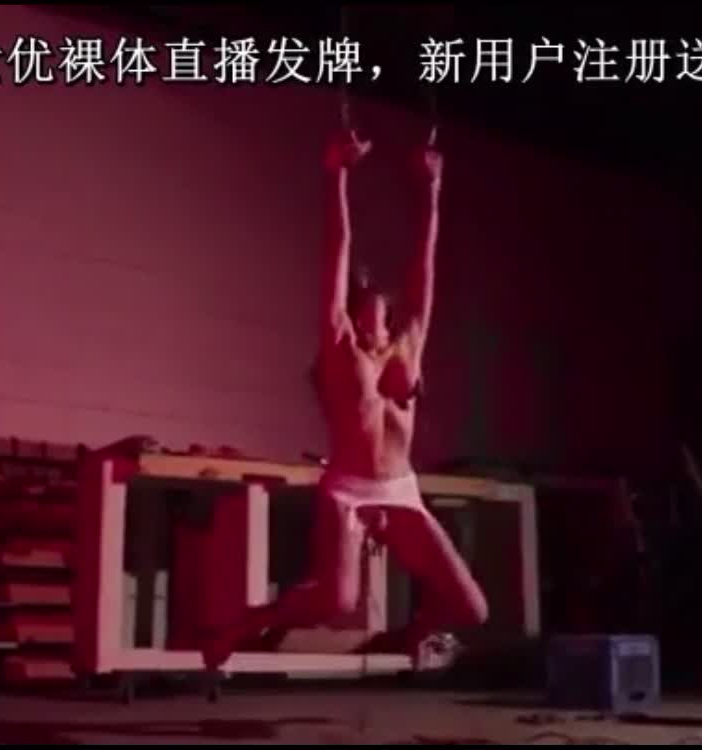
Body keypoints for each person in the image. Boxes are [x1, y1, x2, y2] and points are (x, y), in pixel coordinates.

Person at [202, 129, 489, 674]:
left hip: (401, 488)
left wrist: (432, 190)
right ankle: (243, 626)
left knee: (472, 608)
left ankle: (411, 634)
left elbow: (424, 272)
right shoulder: (340, 350)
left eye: (374, 313)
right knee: (335, 601)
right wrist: (337, 173)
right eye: (359, 313)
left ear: (386, 316)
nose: (367, 320)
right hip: (349, 489)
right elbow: (337, 251)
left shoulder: (408, 348)